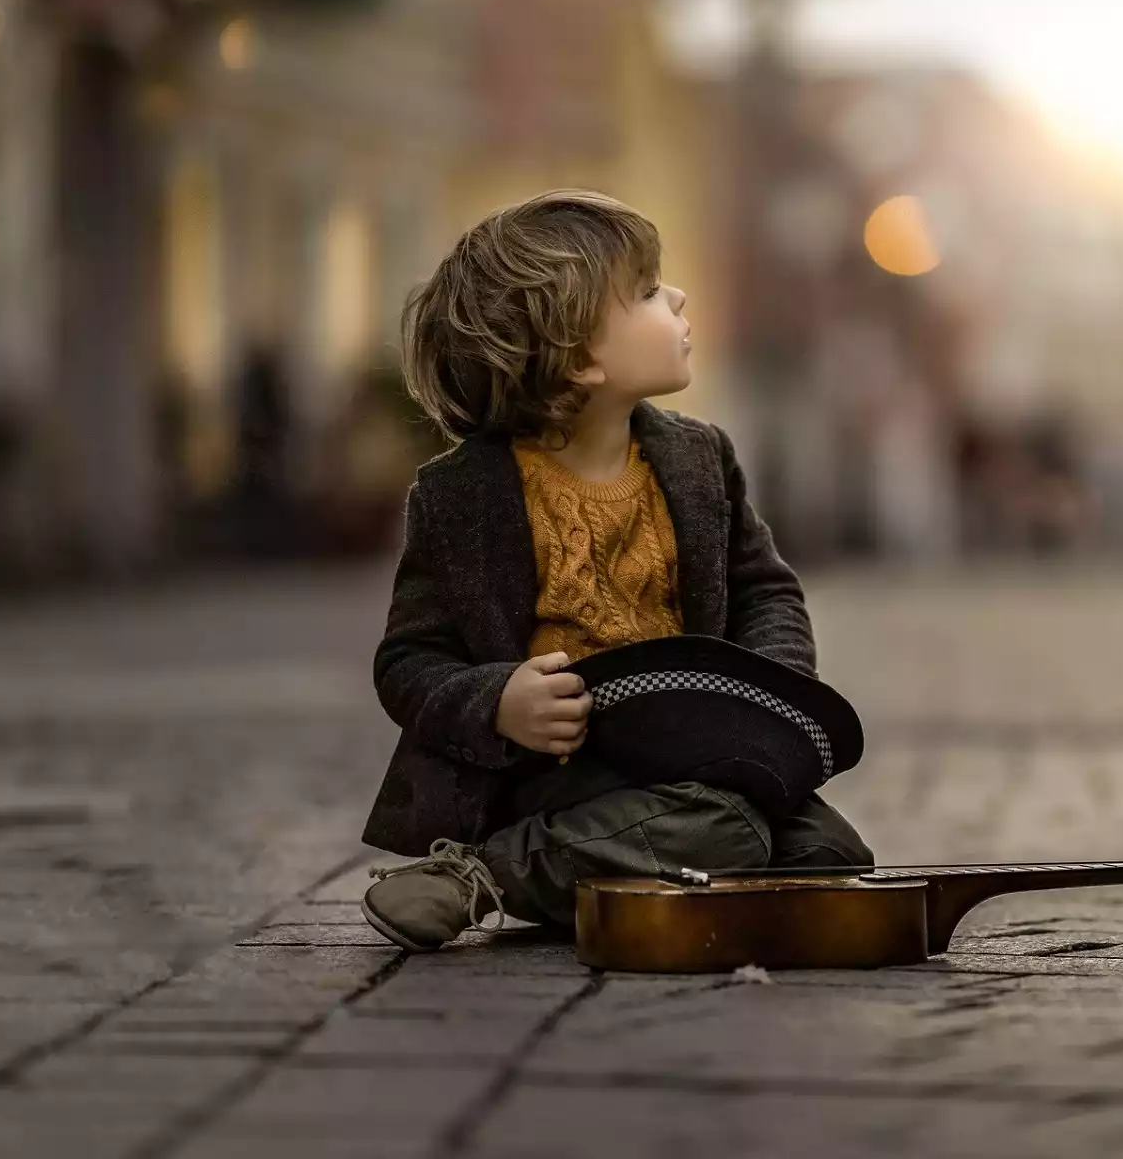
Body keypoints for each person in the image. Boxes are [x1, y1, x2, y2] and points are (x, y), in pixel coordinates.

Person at [358, 189, 873, 952]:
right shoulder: (460, 496)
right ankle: (481, 875)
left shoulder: (699, 460)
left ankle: (623, 878)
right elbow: (408, 661)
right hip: (558, 770)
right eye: (646, 292)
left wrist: (768, 695)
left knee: (832, 857)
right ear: (578, 356)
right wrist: (499, 701)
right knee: (727, 829)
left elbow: (764, 588)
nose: (678, 296)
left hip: (695, 751)